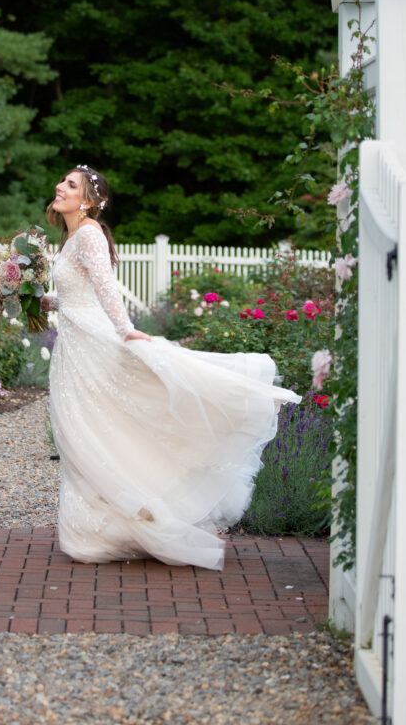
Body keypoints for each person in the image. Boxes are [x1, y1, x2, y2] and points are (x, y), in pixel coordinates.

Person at [41, 164, 301, 571]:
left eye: (70, 184)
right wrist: (46, 302)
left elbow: (107, 288)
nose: (60, 186)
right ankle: (97, 529)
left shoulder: (89, 233)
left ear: (89, 202)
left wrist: (127, 331)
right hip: (74, 346)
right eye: (63, 181)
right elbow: (81, 294)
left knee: (94, 430)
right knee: (82, 431)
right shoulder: (72, 237)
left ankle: (116, 526)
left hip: (94, 345)